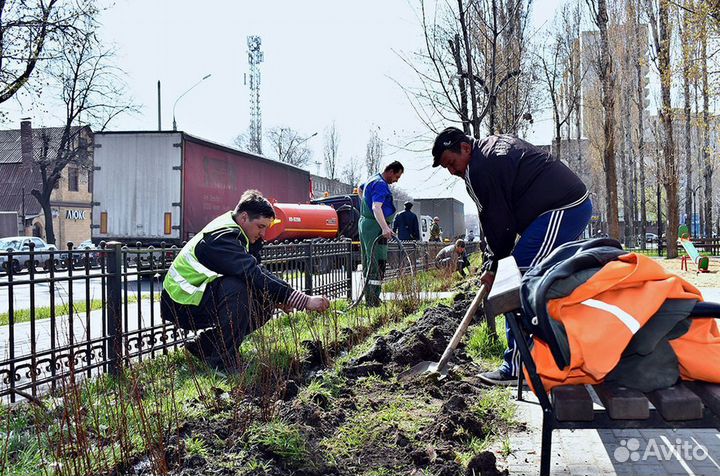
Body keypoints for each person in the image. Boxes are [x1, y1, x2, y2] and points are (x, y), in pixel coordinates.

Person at [431, 128, 591, 386]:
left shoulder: (479, 169)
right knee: (535, 282)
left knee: (518, 281)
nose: (452, 171)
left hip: (562, 209)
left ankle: (517, 366)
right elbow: (501, 217)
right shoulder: (488, 151)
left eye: (452, 163)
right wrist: (495, 261)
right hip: (559, 208)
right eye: (446, 168)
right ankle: (554, 356)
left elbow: (497, 222)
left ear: (465, 148)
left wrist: (496, 266)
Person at [161, 190, 331, 372]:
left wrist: (280, 299)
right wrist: (303, 301)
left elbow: (258, 272)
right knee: (237, 287)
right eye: (260, 226)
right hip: (181, 302)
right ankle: (223, 362)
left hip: (197, 297)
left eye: (266, 227)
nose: (264, 233)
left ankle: (207, 346)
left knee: (265, 300)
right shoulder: (222, 237)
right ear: (244, 218)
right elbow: (251, 273)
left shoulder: (239, 233)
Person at [359, 161, 404, 307]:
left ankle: (371, 298)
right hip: (374, 228)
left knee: (370, 261)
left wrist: (365, 208)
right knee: (377, 262)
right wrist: (384, 227)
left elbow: (359, 189)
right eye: (397, 176)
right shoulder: (380, 184)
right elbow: (376, 207)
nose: (396, 180)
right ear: (390, 171)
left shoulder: (373, 179)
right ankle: (373, 300)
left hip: (368, 224)